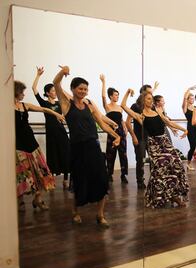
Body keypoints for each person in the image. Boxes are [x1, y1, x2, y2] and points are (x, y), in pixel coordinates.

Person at [53, 65, 121, 227]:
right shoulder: (66, 104)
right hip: (77, 148)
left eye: (85, 89)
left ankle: (100, 215)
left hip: (93, 147)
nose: (83, 91)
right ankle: (75, 212)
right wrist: (63, 73)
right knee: (79, 180)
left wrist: (115, 135)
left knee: (101, 180)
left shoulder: (90, 104)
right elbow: (56, 84)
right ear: (73, 89)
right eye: (80, 89)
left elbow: (102, 123)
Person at [121, 89, 189, 208]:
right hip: (154, 144)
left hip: (165, 142)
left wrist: (184, 129)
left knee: (176, 164)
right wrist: (127, 93)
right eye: (148, 98)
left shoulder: (157, 111)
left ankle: (174, 195)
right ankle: (158, 196)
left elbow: (169, 122)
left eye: (151, 98)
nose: (151, 100)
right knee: (160, 169)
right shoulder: (140, 115)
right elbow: (123, 106)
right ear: (143, 101)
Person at [15, 80, 64, 212]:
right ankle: (20, 201)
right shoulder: (6, 107)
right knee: (23, 174)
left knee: (40, 171)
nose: (23, 95)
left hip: (31, 142)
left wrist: (56, 113)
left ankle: (38, 198)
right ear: (15, 92)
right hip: (17, 144)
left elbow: (43, 109)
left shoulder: (25, 106)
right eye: (21, 92)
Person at [32, 66, 71, 189]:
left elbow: (66, 97)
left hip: (61, 132)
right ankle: (52, 179)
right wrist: (38, 75)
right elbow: (34, 89)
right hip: (51, 132)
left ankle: (66, 179)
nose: (55, 92)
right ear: (48, 93)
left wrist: (61, 78)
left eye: (55, 91)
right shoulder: (44, 103)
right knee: (53, 155)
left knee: (66, 153)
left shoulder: (60, 104)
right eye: (53, 91)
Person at [125, 83, 158, 189]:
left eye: (151, 93)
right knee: (141, 160)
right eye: (148, 92)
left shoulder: (152, 106)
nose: (151, 95)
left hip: (151, 137)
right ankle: (140, 181)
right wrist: (133, 136)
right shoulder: (135, 106)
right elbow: (128, 122)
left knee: (154, 159)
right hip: (140, 138)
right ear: (143, 94)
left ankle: (154, 179)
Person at [100, 74, 130, 184]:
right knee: (110, 154)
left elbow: (121, 120)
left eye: (118, 95)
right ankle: (109, 174)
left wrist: (125, 128)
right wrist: (103, 82)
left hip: (121, 132)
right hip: (112, 133)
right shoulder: (107, 106)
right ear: (111, 96)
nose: (117, 97)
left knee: (123, 154)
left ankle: (123, 175)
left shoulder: (119, 108)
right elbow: (103, 97)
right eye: (116, 95)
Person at [182, 85, 196, 171]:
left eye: (193, 99)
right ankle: (188, 163)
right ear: (188, 99)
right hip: (190, 129)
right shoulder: (185, 108)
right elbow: (184, 99)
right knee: (192, 146)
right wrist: (188, 89)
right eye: (191, 98)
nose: (192, 100)